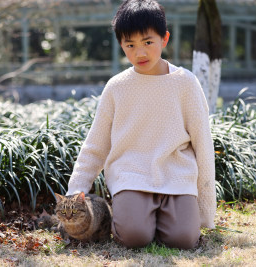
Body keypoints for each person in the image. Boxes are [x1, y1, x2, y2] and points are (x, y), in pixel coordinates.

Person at [66, 0, 216, 250]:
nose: (140, 53)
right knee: (134, 237)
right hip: (131, 175)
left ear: (164, 39)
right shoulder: (116, 87)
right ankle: (137, 218)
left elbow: (203, 144)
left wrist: (205, 208)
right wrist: (76, 189)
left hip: (177, 175)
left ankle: (162, 220)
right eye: (130, 45)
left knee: (184, 239)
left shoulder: (186, 83)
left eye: (148, 42)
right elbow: (96, 144)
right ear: (121, 45)